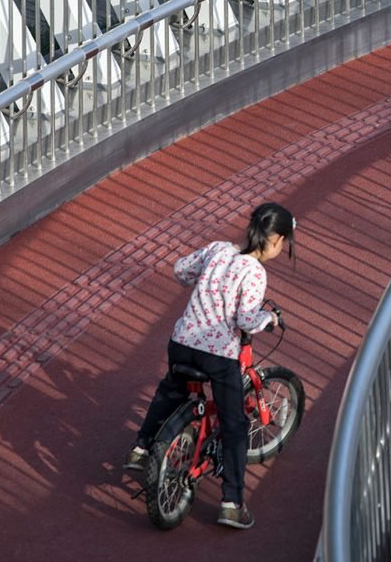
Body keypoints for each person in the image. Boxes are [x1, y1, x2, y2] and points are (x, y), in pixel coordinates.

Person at [125, 202, 296, 529]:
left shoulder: (219, 249)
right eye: (283, 242)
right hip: (217, 357)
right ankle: (232, 503)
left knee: (170, 392)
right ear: (275, 239)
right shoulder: (255, 272)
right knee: (234, 426)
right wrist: (269, 318)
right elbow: (245, 320)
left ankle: (140, 448)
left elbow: (180, 271)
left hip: (182, 343)